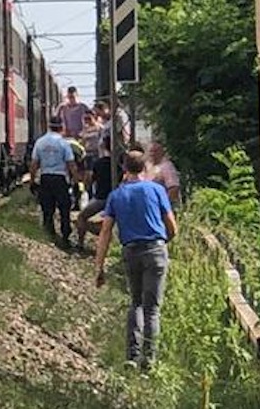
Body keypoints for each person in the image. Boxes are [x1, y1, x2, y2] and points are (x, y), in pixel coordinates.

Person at [94, 150, 178, 368]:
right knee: (152, 308)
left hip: (130, 251)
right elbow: (172, 227)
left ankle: (132, 356)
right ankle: (149, 359)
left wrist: (99, 266)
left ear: (124, 169)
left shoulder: (116, 195)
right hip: (156, 250)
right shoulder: (157, 190)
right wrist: (162, 244)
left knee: (136, 303)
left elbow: (105, 232)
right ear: (145, 168)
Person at [29, 115, 77, 244]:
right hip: (60, 178)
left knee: (47, 208)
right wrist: (76, 180)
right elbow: (71, 163)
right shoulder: (64, 143)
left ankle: (50, 234)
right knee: (64, 208)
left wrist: (32, 180)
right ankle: (65, 234)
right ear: (62, 126)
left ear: (49, 126)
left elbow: (34, 164)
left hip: (45, 178)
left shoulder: (40, 142)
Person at [76, 135, 113, 249]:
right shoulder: (121, 163)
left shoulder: (99, 163)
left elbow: (90, 180)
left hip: (100, 198)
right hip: (117, 199)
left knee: (81, 217)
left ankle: (80, 243)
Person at [146, 141, 181, 206]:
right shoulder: (146, 166)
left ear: (161, 152)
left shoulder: (167, 167)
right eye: (150, 151)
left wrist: (163, 205)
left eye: (155, 151)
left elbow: (174, 188)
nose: (152, 154)